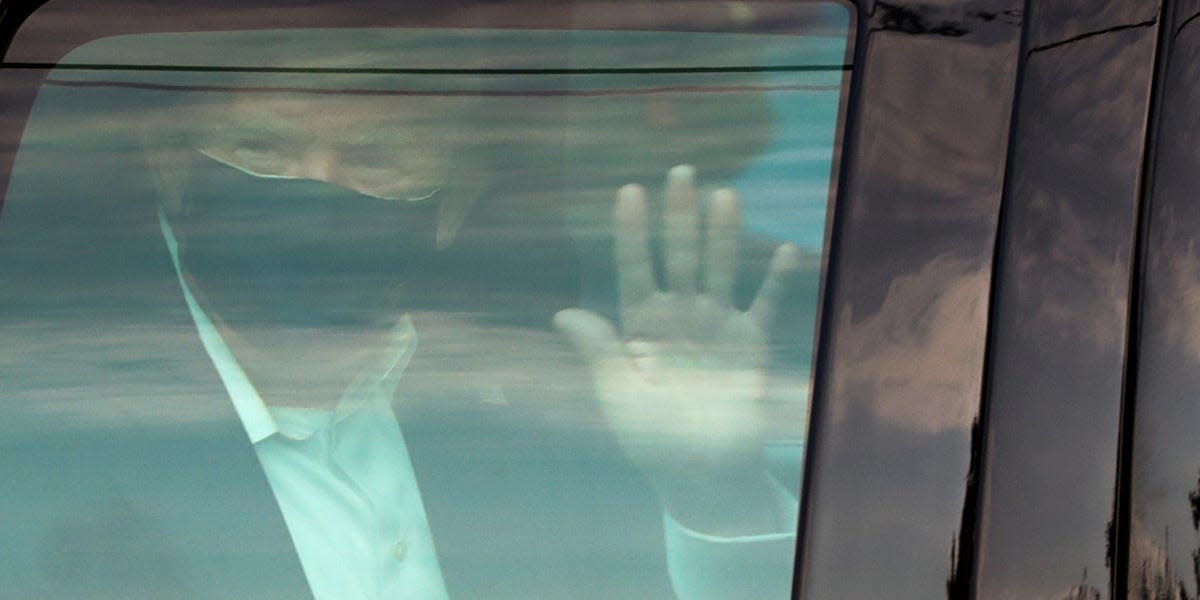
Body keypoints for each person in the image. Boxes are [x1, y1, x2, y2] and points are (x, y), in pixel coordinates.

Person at [1, 26, 813, 599]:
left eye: (373, 160)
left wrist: (715, 490)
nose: (314, 191)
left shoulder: (544, 427)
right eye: (262, 153)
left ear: (452, 203)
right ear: (173, 172)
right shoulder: (40, 437)